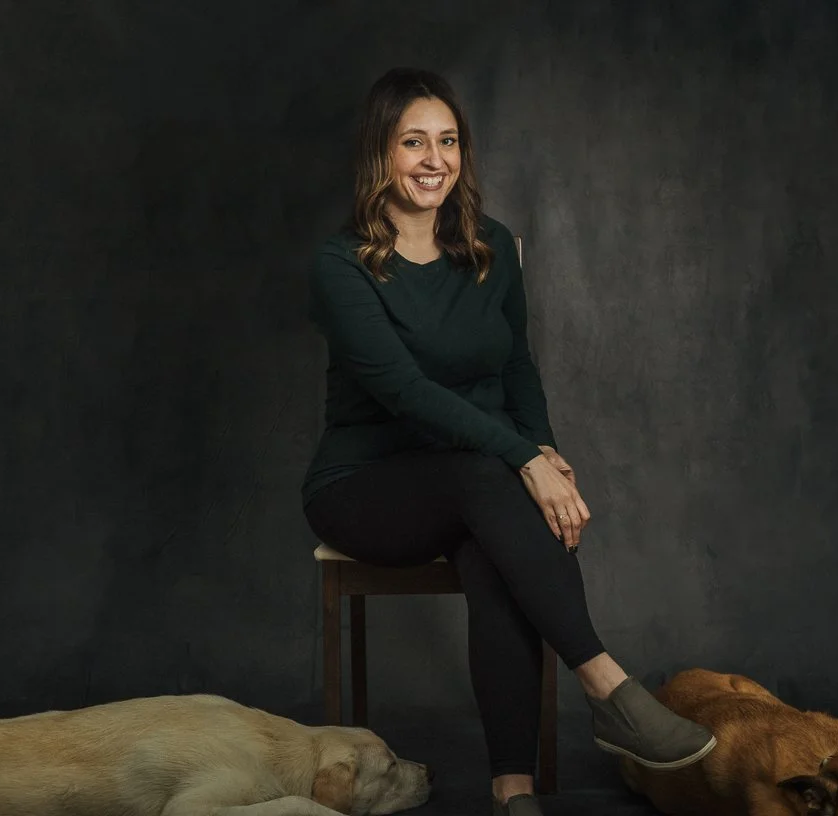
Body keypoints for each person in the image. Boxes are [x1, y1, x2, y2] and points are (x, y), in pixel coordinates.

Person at [301, 67, 715, 816]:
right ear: (381, 156)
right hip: (364, 488)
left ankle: (513, 794)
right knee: (486, 479)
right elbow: (404, 393)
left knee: (495, 540)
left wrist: (545, 450)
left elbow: (518, 366)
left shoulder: (489, 247)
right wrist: (524, 459)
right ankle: (607, 688)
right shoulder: (343, 265)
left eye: (449, 141)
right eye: (414, 143)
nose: (435, 160)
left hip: (476, 481)